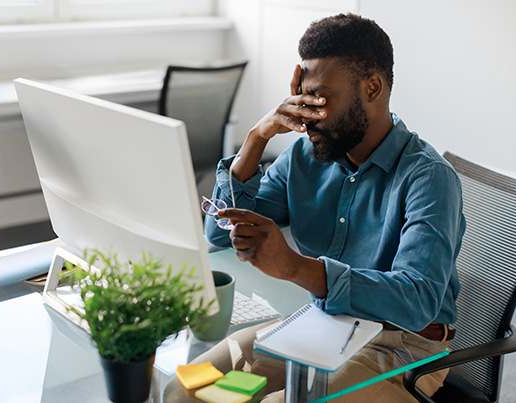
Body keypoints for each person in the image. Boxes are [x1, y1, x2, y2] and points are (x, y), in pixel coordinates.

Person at [166, 13, 466, 402]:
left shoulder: (428, 178)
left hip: (402, 349)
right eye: (303, 94)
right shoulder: (304, 158)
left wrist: (295, 267)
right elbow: (217, 234)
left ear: (372, 87)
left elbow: (418, 301)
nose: (308, 113)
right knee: (187, 389)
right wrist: (258, 137)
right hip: (318, 327)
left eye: (321, 97)